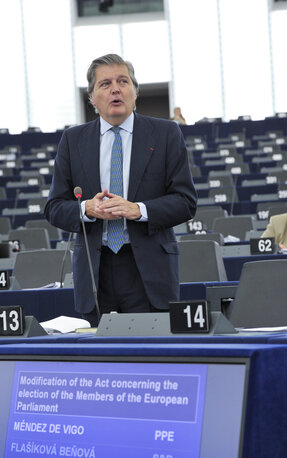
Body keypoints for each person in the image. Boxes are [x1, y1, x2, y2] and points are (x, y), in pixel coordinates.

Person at [44, 53, 197, 326]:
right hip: (95, 272)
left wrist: (138, 210)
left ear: (135, 91)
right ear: (92, 97)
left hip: (148, 271)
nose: (115, 89)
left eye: (123, 81)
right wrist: (86, 209)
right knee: (101, 364)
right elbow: (54, 208)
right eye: (105, 84)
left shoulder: (165, 134)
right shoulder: (72, 140)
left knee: (150, 362)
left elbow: (186, 201)